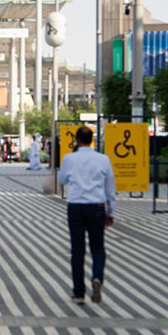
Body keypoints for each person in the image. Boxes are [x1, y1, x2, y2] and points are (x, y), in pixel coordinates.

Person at [57, 125, 116, 304]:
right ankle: (97, 277)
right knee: (98, 248)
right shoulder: (103, 159)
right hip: (97, 206)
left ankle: (79, 293)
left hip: (76, 206)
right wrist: (110, 210)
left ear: (76, 140)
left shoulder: (69, 158)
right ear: (92, 140)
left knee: (77, 250)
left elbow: (62, 180)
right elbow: (110, 188)